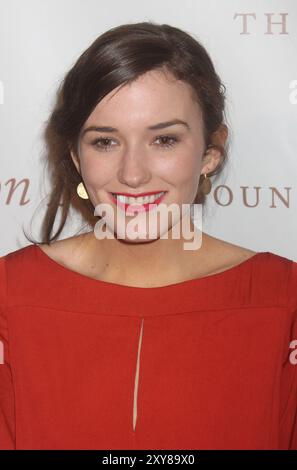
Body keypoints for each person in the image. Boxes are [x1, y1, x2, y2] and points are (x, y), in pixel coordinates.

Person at [0, 21, 296, 450]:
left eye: (164, 140)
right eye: (105, 142)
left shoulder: (282, 301)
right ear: (75, 156)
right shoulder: (10, 296)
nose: (133, 174)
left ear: (211, 152)